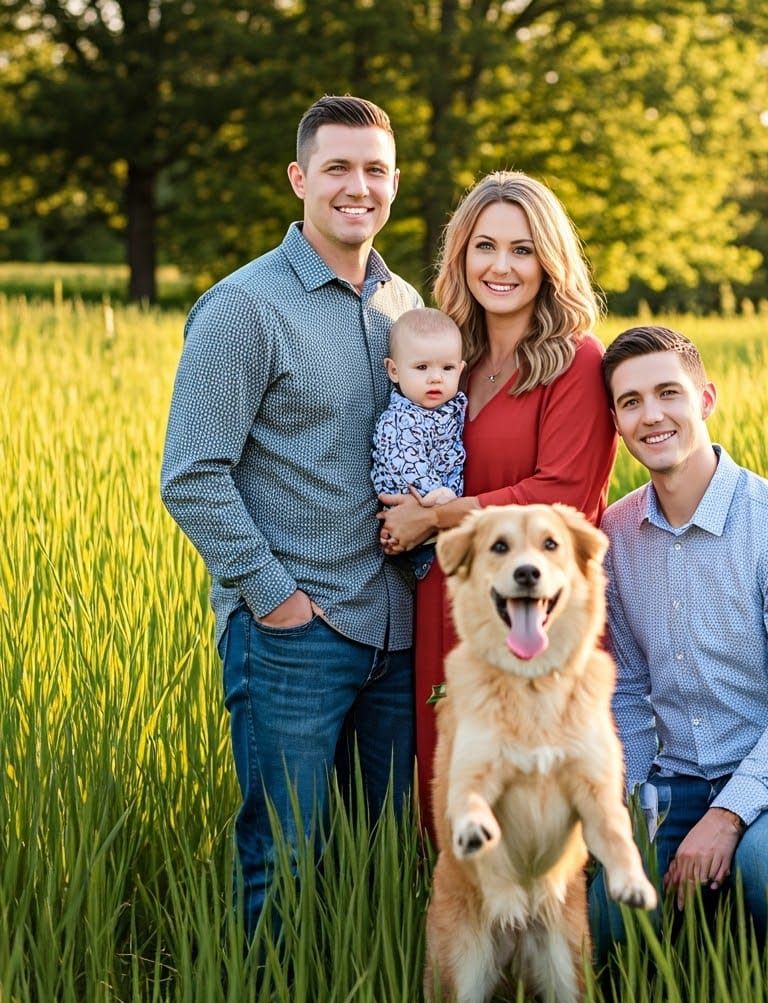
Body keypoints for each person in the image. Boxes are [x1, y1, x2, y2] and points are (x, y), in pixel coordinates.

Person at [160, 94, 422, 937]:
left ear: (393, 183)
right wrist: (277, 601)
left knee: (379, 859)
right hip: (295, 634)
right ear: (299, 177)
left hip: (398, 634)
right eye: (338, 167)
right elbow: (191, 475)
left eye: (375, 169)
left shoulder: (401, 304)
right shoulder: (244, 307)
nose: (358, 186)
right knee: (285, 859)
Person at [590, 324, 768, 960]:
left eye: (668, 393)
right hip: (677, 773)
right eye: (631, 402)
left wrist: (728, 815)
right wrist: (626, 807)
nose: (652, 416)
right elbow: (625, 691)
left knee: (767, 864)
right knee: (610, 910)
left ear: (705, 398)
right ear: (616, 421)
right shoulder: (616, 538)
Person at [376, 171, 619, 830]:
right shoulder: (450, 354)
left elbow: (559, 497)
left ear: (549, 261)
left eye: (522, 249)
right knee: (445, 784)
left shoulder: (575, 361)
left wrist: (432, 516)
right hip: (445, 595)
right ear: (461, 255)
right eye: (485, 246)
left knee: (520, 809)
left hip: (526, 610)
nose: (501, 266)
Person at [371, 307, 468, 580]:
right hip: (417, 506)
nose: (435, 377)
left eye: (447, 368)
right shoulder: (400, 419)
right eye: (422, 367)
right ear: (394, 370)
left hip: (442, 517)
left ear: (460, 369)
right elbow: (407, 464)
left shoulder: (449, 408)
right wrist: (438, 500)